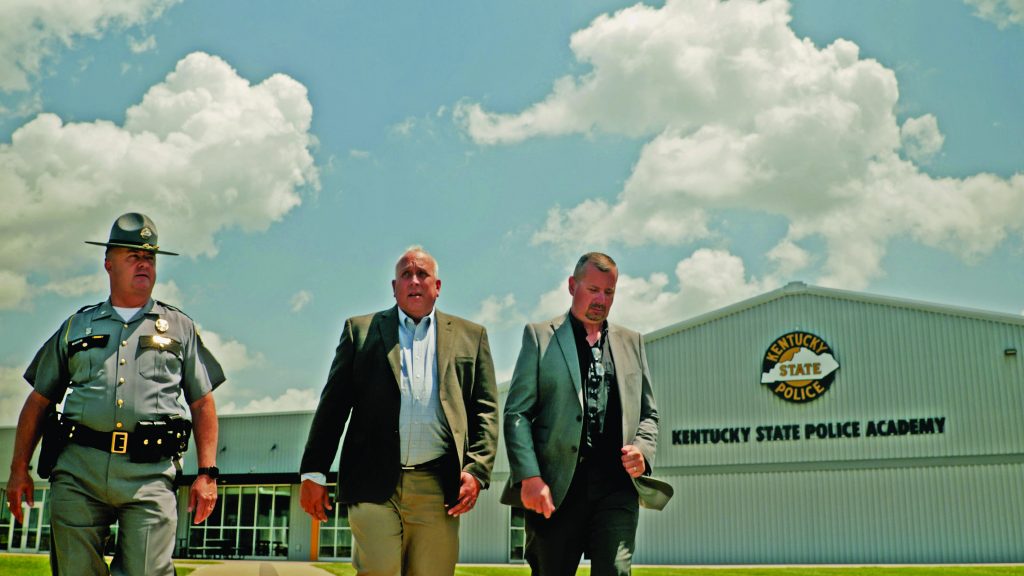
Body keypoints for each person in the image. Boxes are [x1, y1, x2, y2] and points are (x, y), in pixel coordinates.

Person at [5, 212, 225, 576]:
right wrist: (18, 471)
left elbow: (202, 402)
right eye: (133, 256)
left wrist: (208, 474)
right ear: (108, 263)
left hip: (150, 474)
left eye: (150, 257)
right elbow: (38, 400)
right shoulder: (76, 326)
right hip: (79, 472)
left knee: (147, 571)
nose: (144, 263)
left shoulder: (180, 327)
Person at [300, 246, 499, 576]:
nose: (415, 280)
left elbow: (485, 410)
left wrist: (476, 470)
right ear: (394, 287)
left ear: (437, 286)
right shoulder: (360, 331)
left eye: (423, 274)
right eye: (406, 274)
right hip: (373, 483)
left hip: (438, 488)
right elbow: (333, 407)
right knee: (378, 570)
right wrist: (313, 472)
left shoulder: (471, 337)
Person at [502, 252, 672, 576]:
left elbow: (649, 413)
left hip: (616, 490)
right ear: (572, 286)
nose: (601, 299)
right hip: (556, 490)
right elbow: (517, 414)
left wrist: (643, 450)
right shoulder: (539, 337)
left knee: (617, 571)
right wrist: (530, 476)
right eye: (593, 289)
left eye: (609, 292)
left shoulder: (632, 341)